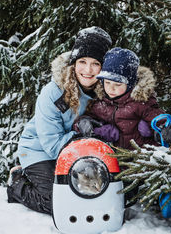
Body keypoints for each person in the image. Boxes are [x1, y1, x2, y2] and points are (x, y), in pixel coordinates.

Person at [7, 27, 112, 214]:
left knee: (92, 197)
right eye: (82, 61)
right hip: (39, 150)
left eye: (96, 63)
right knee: (58, 203)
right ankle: (17, 183)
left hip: (77, 152)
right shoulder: (54, 92)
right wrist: (81, 134)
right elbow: (52, 144)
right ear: (74, 62)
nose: (88, 70)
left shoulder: (107, 90)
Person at [73, 47, 171, 150]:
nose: (111, 88)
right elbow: (88, 116)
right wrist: (83, 122)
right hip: (114, 157)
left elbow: (159, 119)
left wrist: (167, 130)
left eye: (117, 84)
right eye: (107, 82)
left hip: (141, 156)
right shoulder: (100, 102)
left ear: (130, 85)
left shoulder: (140, 103)